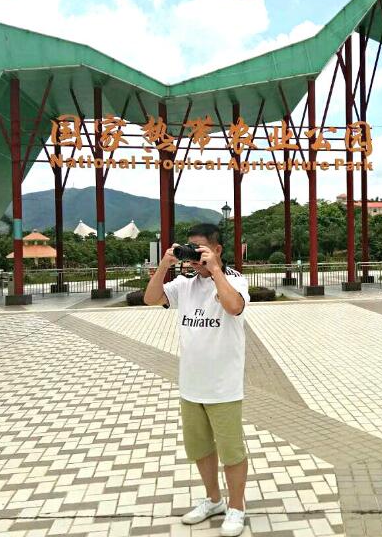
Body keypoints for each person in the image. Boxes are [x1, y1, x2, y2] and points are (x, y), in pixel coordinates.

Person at [143, 223, 251, 537]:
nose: (193, 257)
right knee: (201, 448)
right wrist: (165, 264)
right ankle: (214, 500)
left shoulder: (234, 280)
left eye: (199, 249)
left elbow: (234, 306)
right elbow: (151, 298)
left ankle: (237, 507)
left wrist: (215, 270)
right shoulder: (184, 284)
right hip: (191, 385)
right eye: (189, 250)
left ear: (216, 250)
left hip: (223, 386)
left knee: (231, 451)